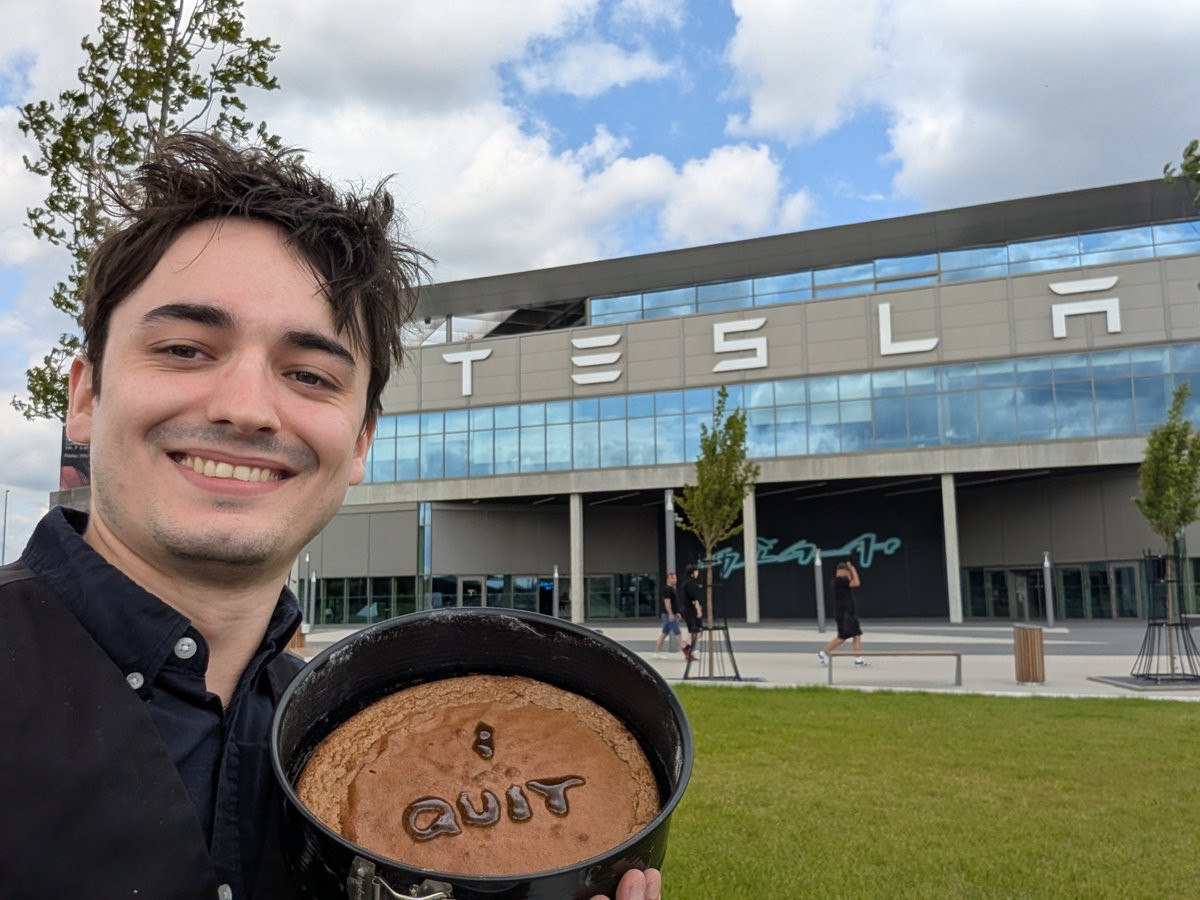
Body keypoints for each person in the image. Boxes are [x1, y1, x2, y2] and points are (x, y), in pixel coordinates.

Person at [0, 133, 661, 900]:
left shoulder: (357, 730)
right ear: (85, 396)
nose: (247, 408)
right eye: (184, 349)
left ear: (359, 445)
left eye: (310, 375)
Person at [817, 560, 868, 668]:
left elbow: (852, 581)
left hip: (846, 614)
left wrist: (850, 571)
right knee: (845, 636)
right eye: (847, 572)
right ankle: (824, 653)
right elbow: (856, 583)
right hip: (846, 615)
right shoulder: (839, 581)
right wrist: (853, 569)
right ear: (843, 571)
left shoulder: (839, 582)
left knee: (853, 635)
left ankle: (858, 660)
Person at [654, 571, 692, 660]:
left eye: (676, 578)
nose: (676, 580)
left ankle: (657, 653)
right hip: (669, 616)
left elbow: (674, 604)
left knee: (663, 634)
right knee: (678, 634)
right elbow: (667, 602)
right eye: (673, 578)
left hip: (670, 615)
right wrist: (671, 614)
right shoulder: (667, 589)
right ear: (668, 579)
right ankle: (687, 654)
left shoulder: (672, 589)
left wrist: (677, 613)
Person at [681, 565, 705, 658]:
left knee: (696, 631)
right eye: (696, 571)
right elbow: (694, 599)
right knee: (696, 631)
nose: (697, 573)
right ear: (692, 573)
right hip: (691, 611)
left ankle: (688, 648)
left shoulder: (687, 583)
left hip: (689, 610)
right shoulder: (690, 584)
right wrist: (698, 610)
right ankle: (687, 648)